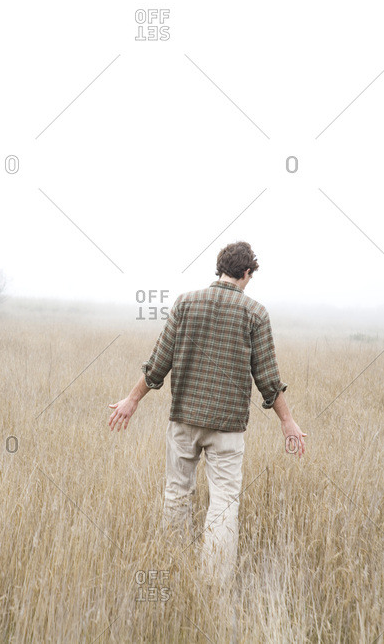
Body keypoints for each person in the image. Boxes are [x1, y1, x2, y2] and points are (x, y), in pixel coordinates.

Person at [108, 241, 307, 590]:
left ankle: (175, 566)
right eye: (250, 276)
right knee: (224, 502)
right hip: (227, 429)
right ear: (246, 273)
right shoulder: (255, 313)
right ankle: (213, 584)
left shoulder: (185, 303)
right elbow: (268, 379)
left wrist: (131, 399)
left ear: (220, 268)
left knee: (177, 494)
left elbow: (158, 364)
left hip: (183, 419)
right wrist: (287, 422)